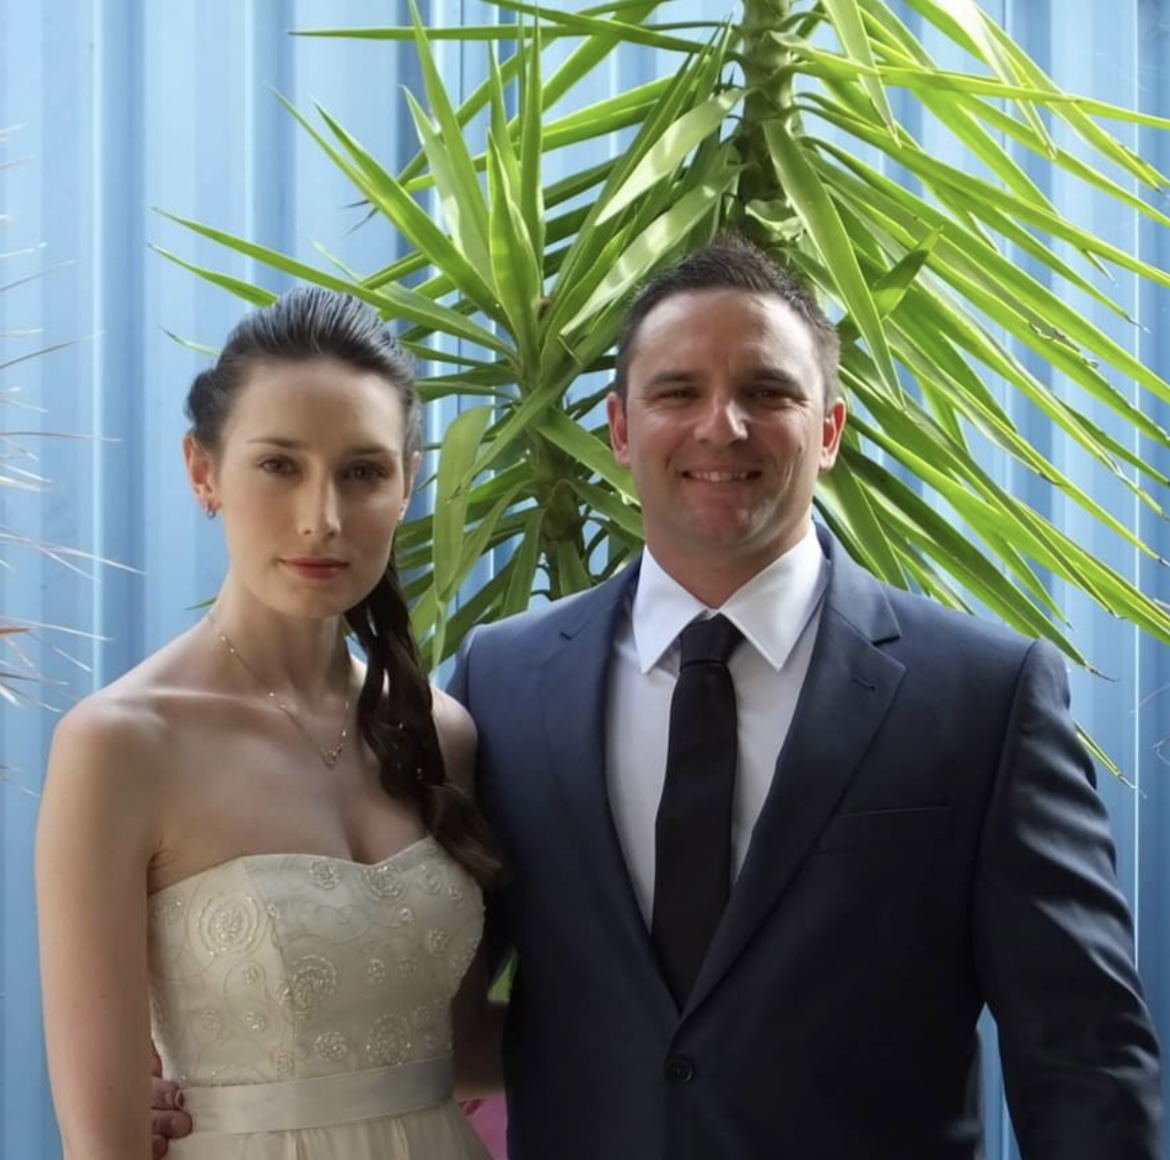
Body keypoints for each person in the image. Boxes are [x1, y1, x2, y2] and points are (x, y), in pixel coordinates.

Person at [154, 236, 1164, 1158]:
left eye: (767, 390)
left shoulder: (984, 697)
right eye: (678, 390)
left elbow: (1085, 1057)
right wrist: (200, 1072)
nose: (722, 425)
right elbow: (415, 978)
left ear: (829, 429)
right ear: (621, 428)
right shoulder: (503, 684)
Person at [37, 288, 504, 1160]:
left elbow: (466, 1047)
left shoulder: (442, 734)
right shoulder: (120, 745)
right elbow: (101, 1141)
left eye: (363, 472)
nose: (322, 517)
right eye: (280, 465)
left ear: (408, 482)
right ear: (203, 471)